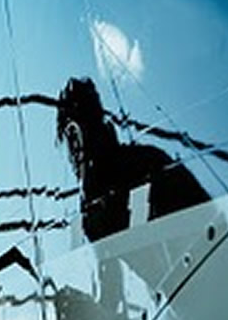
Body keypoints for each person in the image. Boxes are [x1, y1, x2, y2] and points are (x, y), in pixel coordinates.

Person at [56, 76, 210, 242]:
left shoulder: (144, 161)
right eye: (70, 135)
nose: (75, 145)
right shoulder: (88, 203)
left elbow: (141, 239)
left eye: (78, 127)